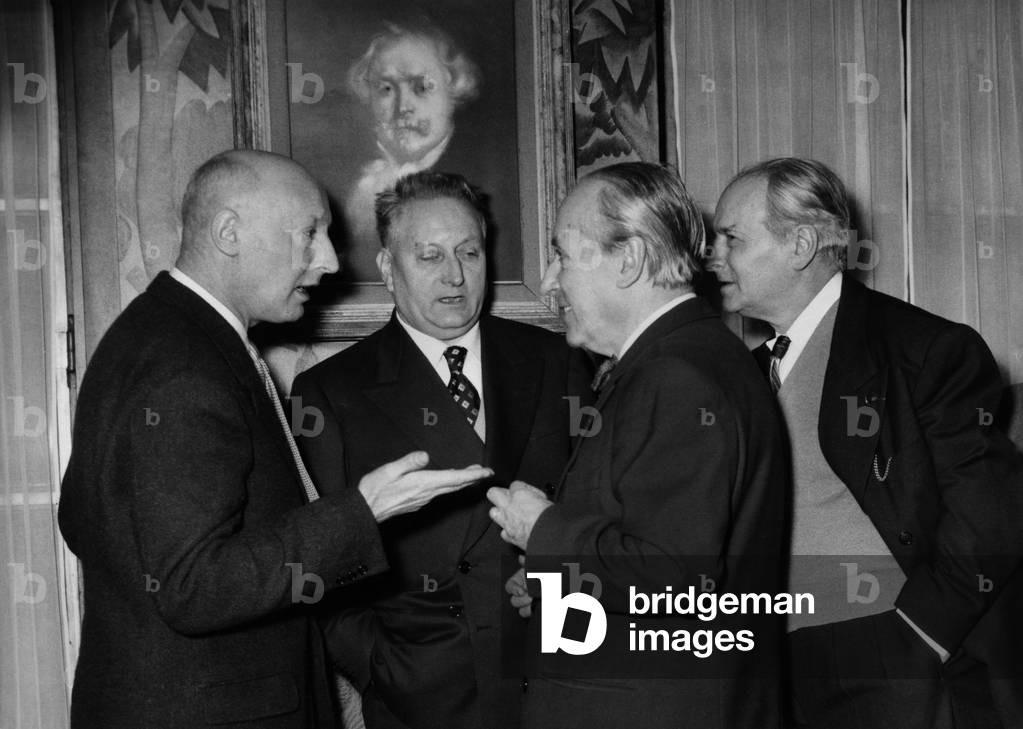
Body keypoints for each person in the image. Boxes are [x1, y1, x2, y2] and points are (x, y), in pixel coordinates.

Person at [57, 150, 492, 729]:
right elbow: (192, 586)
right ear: (229, 233)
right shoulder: (185, 365)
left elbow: (80, 519)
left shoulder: (156, 332)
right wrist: (363, 512)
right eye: (309, 233)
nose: (330, 260)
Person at [707, 157, 1023, 729]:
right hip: (770, 665)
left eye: (731, 238)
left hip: (887, 652)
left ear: (801, 244)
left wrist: (921, 635)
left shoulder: (922, 349)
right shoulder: (739, 374)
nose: (713, 256)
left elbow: (991, 513)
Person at [486, 162, 787, 729]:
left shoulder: (678, 376)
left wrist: (543, 531)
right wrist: (558, 581)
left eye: (562, 257)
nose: (548, 282)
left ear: (629, 260)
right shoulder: (681, 358)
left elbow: (674, 581)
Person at [291, 171, 587, 729]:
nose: (454, 275)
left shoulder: (558, 360)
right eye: (429, 256)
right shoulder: (330, 391)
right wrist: (380, 667)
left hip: (555, 683)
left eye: (469, 253)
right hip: (422, 699)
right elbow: (317, 554)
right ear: (388, 267)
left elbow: (595, 512)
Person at [344, 23, 481, 248]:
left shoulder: (485, 173)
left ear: (455, 90)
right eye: (386, 88)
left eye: (422, 87)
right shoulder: (349, 179)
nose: (403, 107)